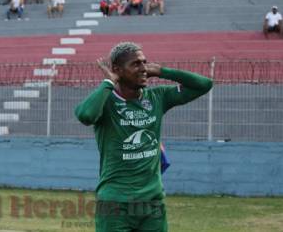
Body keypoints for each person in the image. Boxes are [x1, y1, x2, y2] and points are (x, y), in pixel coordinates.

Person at [75, 42, 213, 232]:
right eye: (136, 64)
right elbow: (85, 116)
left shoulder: (157, 97)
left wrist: (163, 71)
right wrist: (108, 83)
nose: (144, 69)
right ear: (117, 70)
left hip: (152, 203)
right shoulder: (106, 101)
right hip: (115, 203)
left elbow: (205, 84)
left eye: (144, 62)